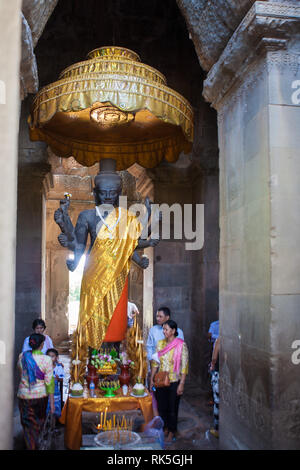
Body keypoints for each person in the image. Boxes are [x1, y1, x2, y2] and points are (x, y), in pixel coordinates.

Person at [150, 319, 188, 442]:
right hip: (161, 380)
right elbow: (155, 362)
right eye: (163, 329)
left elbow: (184, 366)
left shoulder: (181, 345)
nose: (164, 331)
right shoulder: (160, 344)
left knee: (172, 408)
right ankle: (165, 427)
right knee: (162, 407)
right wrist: (152, 378)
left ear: (173, 331)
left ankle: (172, 431)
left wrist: (181, 384)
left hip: (174, 381)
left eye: (166, 329)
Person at [17, 333, 55, 450]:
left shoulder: (22, 357)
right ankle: (36, 445)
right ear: (42, 345)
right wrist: (52, 404)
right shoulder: (47, 360)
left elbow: (21, 374)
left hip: (24, 396)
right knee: (39, 423)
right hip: (41, 397)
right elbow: (49, 383)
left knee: (28, 425)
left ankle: (31, 445)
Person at [46, 348, 65, 419]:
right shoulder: (45, 366)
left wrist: (57, 378)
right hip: (46, 390)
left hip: (55, 391)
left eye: (52, 356)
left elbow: (61, 379)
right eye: (48, 356)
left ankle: (54, 420)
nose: (50, 358)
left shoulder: (58, 367)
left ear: (56, 358)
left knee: (55, 406)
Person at [209, 336, 220, 439]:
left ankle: (217, 429)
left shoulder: (220, 340)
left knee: (217, 402)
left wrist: (212, 365)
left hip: (218, 375)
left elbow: (214, 358)